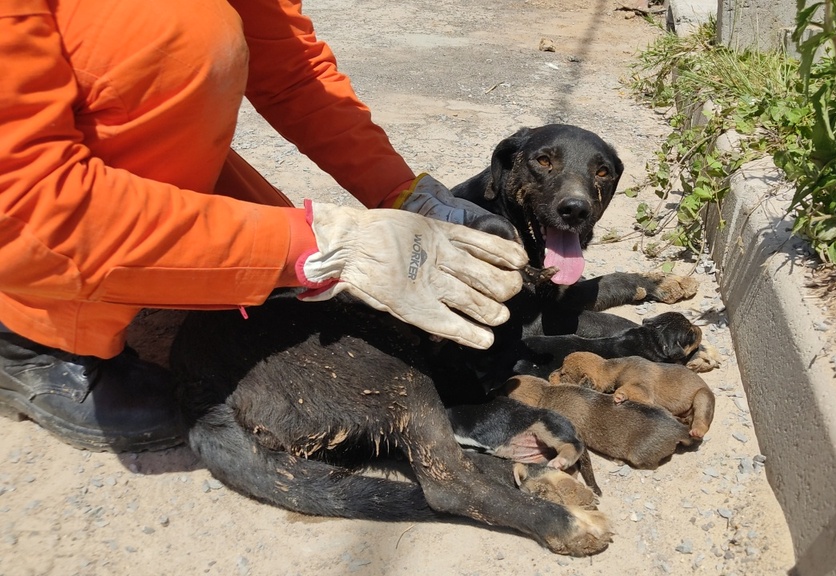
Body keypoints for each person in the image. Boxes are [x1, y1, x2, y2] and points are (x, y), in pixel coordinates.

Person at [0, 0, 528, 453]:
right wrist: (323, 245)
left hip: (124, 178)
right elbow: (23, 199)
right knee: (167, 36)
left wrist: (405, 193)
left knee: (290, 301)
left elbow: (292, 70)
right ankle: (31, 336)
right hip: (34, 216)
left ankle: (156, 251)